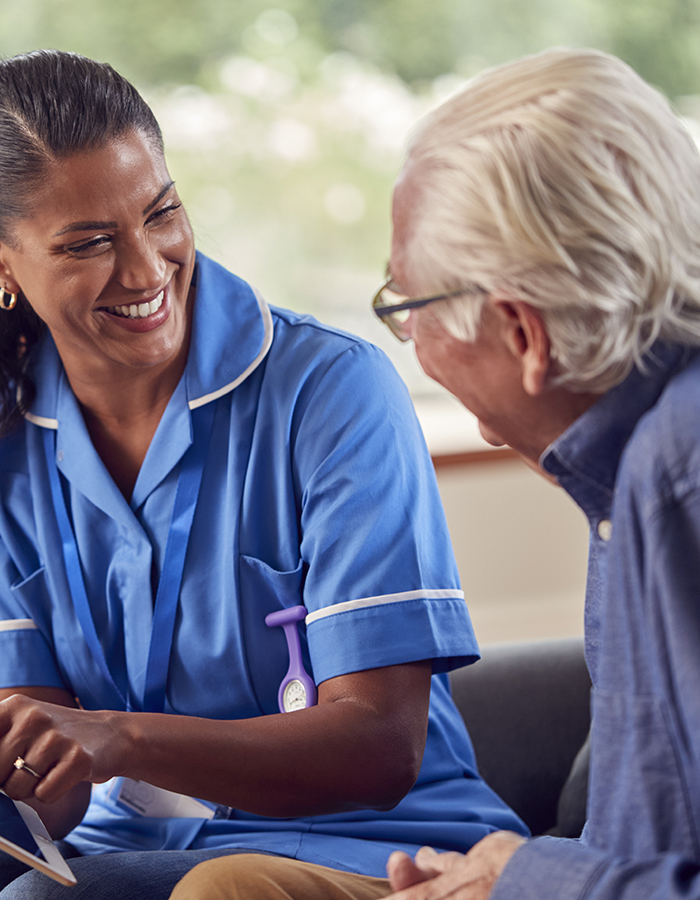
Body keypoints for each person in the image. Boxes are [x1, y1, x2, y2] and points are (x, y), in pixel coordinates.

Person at [0, 49, 526, 900]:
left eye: (161, 213)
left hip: (373, 848)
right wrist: (33, 763)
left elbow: (381, 749)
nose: (146, 269)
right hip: (126, 849)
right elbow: (50, 787)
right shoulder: (11, 440)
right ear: (4, 268)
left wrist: (121, 737)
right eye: (90, 243)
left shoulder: (332, 393)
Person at [368, 46, 700, 900]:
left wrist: (533, 880)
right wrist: (497, 877)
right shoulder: (623, 473)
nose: (409, 344)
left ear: (522, 335)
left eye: (406, 307)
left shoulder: (678, 474)